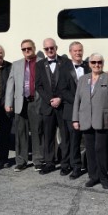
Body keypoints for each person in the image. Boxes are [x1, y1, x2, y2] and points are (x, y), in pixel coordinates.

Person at [73, 53, 108, 189]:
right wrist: (75, 119)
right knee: (90, 150)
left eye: (99, 62)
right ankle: (93, 176)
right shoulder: (83, 79)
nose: (96, 65)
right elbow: (77, 100)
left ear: (103, 63)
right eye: (93, 62)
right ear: (89, 64)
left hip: (102, 119)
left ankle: (104, 177)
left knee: (101, 149)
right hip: (85, 119)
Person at [5, 39, 44, 172]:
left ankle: (38, 160)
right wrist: (8, 103)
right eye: (24, 49)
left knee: (37, 131)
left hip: (36, 102)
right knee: (20, 133)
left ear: (34, 48)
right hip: (20, 103)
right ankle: (21, 161)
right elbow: (11, 84)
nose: (27, 51)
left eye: (29, 48)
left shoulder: (42, 62)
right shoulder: (16, 65)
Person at [35, 38, 68, 175]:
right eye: (46, 48)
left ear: (56, 47)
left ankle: (66, 163)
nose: (49, 50)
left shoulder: (66, 63)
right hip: (47, 107)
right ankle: (49, 163)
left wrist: (60, 98)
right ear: (44, 50)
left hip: (62, 106)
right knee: (48, 136)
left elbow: (68, 83)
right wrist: (50, 100)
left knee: (65, 136)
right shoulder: (39, 65)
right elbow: (39, 86)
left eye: (51, 48)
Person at [59, 41, 90, 179]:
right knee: (71, 140)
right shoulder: (64, 68)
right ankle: (73, 166)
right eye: (75, 51)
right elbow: (63, 90)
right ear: (70, 52)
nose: (78, 53)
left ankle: (81, 165)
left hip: (86, 110)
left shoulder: (88, 67)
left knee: (83, 140)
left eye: (80, 50)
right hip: (70, 109)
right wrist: (77, 101)